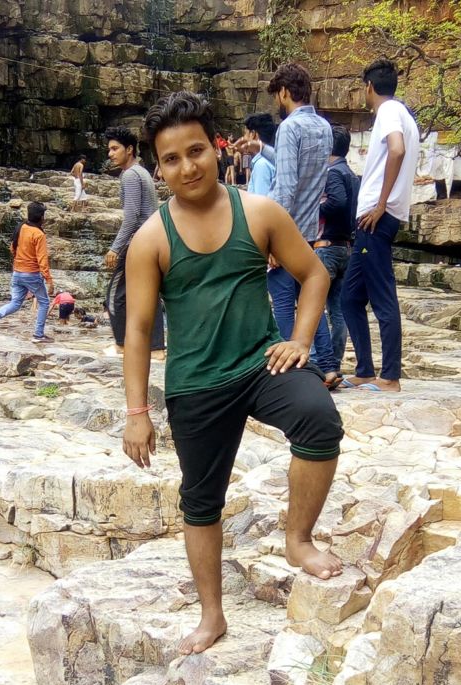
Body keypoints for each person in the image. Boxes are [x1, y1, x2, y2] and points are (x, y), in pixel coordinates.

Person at [122, 91, 344, 655]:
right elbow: (140, 331)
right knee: (201, 501)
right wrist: (136, 413)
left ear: (217, 148)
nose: (187, 167)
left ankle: (297, 540)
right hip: (195, 385)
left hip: (260, 364)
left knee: (319, 419)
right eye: (171, 159)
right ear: (159, 168)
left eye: (196, 151)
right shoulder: (150, 239)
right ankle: (212, 614)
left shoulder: (259, 213)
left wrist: (300, 340)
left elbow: (314, 274)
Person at [252, 64, 340, 389]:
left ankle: (299, 370)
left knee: (283, 304)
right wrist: (262, 150)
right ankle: (327, 367)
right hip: (310, 231)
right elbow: (300, 169)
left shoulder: (289, 127)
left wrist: (271, 238)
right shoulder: (324, 127)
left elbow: (286, 187)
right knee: (310, 301)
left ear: (285, 92)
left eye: (278, 95)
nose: (278, 101)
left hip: (287, 231)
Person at [341, 59, 420, 393]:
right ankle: (365, 370)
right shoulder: (405, 115)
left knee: (383, 297)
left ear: (370, 86)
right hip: (374, 220)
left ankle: (390, 377)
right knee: (349, 298)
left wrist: (381, 203)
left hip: (377, 218)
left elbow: (396, 150)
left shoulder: (388, 111)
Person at [104, 126, 165, 359]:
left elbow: (131, 217)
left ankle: (121, 344)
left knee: (115, 294)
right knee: (150, 293)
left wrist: (115, 248)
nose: (110, 154)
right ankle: (157, 349)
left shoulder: (130, 175)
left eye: (114, 148)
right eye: (109, 149)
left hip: (137, 242)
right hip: (153, 239)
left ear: (129, 149)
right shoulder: (143, 172)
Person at [314, 125, 360, 373]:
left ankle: (321, 362)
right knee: (338, 311)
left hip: (328, 246)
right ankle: (335, 361)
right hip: (346, 247)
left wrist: (313, 209)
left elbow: (337, 202)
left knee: (312, 303)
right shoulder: (352, 174)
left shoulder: (332, 173)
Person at [0, 201, 55, 342]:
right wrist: (49, 279)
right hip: (31, 274)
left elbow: (12, 248)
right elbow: (42, 260)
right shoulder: (38, 234)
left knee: (15, 303)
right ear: (41, 217)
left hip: (17, 273)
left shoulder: (21, 227)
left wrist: (19, 261)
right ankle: (38, 335)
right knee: (44, 302)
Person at [242, 113, 276, 197]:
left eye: (245, 133)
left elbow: (262, 201)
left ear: (253, 134)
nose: (243, 138)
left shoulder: (261, 164)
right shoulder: (271, 161)